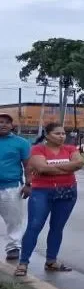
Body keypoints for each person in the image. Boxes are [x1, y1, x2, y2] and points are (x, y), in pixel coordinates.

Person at [15, 123, 83, 276]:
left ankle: (51, 261)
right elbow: (41, 168)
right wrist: (68, 167)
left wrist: (53, 169)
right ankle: (23, 262)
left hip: (67, 191)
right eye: (57, 134)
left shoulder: (70, 149)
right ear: (47, 135)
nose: (61, 136)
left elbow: (79, 163)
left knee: (57, 227)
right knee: (34, 225)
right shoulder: (38, 149)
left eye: (63, 134)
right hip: (42, 191)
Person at [0, 112, 31, 262]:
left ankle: (13, 247)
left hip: (11, 187)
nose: (3, 124)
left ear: (12, 125)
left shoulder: (21, 143)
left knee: (14, 219)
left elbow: (28, 166)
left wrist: (28, 184)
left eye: (6, 122)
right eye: (0, 122)